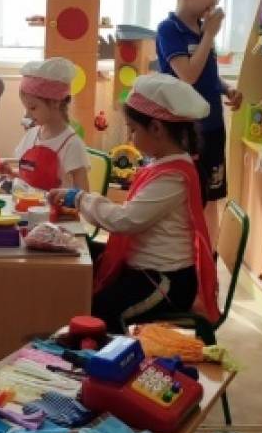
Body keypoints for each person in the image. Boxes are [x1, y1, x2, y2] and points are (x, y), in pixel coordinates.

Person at [47, 74, 217, 330]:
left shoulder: (173, 177)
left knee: (100, 311)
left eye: (133, 129)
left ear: (157, 129)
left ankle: (111, 352)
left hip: (165, 280)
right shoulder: (165, 166)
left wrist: (79, 198)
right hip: (145, 270)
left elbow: (125, 221)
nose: (129, 137)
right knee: (75, 254)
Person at [156, 0, 242, 245]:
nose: (214, 0)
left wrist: (226, 89)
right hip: (184, 131)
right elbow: (188, 75)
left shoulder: (204, 31)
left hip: (213, 127)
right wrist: (209, 36)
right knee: (184, 197)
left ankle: (209, 256)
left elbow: (207, 75)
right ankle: (183, 255)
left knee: (212, 197)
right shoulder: (169, 30)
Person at [11, 58, 90, 192]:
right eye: (26, 108)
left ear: (55, 102)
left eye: (33, 108)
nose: (28, 115)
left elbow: (84, 195)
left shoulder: (72, 145)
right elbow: (31, 179)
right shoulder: (32, 135)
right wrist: (11, 173)